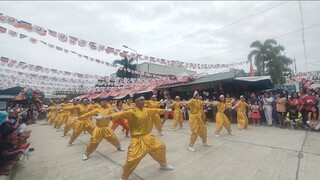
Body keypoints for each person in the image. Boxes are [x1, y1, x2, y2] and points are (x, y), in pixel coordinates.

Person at [97, 96, 174, 180]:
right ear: (135, 102)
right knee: (132, 160)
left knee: (161, 147)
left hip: (149, 137)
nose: (143, 101)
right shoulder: (131, 112)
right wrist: (104, 117)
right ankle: (123, 177)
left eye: (144, 100)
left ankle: (163, 165)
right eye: (141, 100)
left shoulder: (147, 110)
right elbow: (119, 114)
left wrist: (166, 110)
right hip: (137, 139)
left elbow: (156, 110)